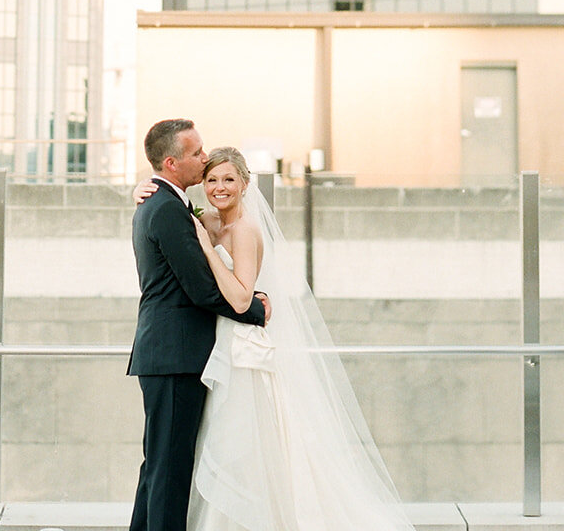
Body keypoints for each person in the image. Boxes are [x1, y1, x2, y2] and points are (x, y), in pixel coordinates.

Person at [135, 144, 414, 531]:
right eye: (212, 179)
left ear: (246, 184)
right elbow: (167, 211)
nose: (220, 187)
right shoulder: (206, 221)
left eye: (229, 179)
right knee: (203, 448)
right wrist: (144, 188)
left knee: (243, 446)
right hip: (215, 348)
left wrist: (205, 247)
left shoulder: (245, 230)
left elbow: (238, 297)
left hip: (242, 352)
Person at [128, 120, 269, 531]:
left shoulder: (162, 203)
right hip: (175, 355)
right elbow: (203, 291)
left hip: (170, 354)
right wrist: (257, 310)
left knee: (159, 467)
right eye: (196, 153)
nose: (204, 158)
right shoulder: (167, 209)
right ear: (171, 163)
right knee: (169, 473)